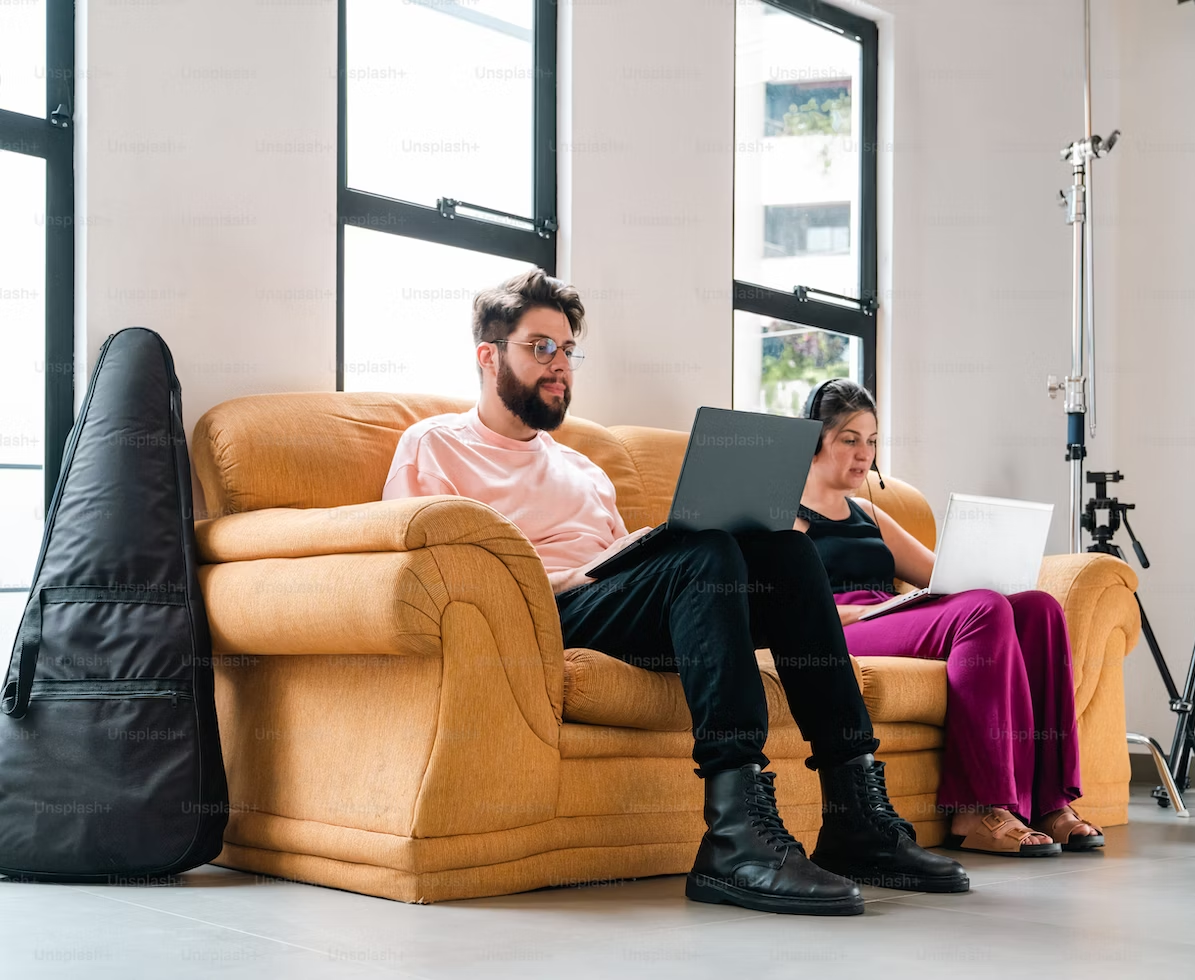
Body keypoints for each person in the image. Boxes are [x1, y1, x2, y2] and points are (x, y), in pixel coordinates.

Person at [382, 269, 969, 915]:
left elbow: (620, 561)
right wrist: (570, 576)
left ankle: (854, 815)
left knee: (785, 549)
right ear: (488, 355)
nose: (560, 366)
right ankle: (734, 838)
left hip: (617, 604)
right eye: (541, 347)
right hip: (539, 611)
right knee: (706, 554)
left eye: (568, 350)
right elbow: (420, 564)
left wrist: (639, 551)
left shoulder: (581, 468)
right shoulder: (435, 444)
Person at [794, 379, 1105, 857]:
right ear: (815, 440)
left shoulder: (868, 514)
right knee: (982, 610)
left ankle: (1049, 802)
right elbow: (786, 603)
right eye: (849, 440)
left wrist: (995, 567)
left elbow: (942, 574)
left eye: (872, 441)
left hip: (890, 613)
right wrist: (870, 609)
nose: (864, 454)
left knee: (1039, 608)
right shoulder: (788, 514)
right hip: (839, 626)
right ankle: (977, 808)